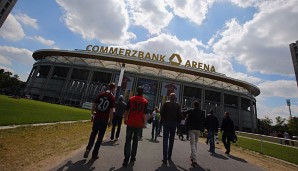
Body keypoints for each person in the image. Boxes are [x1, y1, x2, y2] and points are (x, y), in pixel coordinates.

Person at [83, 83, 116, 159]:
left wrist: (92, 113)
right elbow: (111, 110)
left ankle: (88, 148)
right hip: (104, 118)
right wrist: (111, 121)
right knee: (100, 137)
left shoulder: (101, 94)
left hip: (97, 116)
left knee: (93, 133)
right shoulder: (112, 97)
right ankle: (94, 154)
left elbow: (94, 103)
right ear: (113, 88)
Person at [122, 86, 148, 167]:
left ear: (136, 91)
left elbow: (126, 110)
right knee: (135, 141)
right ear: (142, 92)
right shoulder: (145, 101)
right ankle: (133, 157)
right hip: (138, 124)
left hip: (130, 122)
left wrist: (125, 119)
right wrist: (144, 124)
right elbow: (144, 114)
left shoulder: (131, 99)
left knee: (128, 140)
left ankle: (126, 158)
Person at [160, 93, 181, 164]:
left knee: (165, 139)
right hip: (174, 123)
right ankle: (169, 156)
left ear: (169, 97)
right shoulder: (178, 105)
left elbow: (161, 112)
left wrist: (163, 119)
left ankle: (164, 158)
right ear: (175, 98)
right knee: (172, 140)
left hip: (166, 122)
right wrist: (177, 122)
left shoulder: (166, 103)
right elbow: (179, 115)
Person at [184, 100, 205, 167]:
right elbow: (203, 120)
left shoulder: (191, 110)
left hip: (192, 129)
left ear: (194, 105)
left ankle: (195, 159)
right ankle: (192, 155)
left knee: (192, 144)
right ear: (198, 105)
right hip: (198, 129)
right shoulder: (202, 112)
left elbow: (183, 112)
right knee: (195, 143)